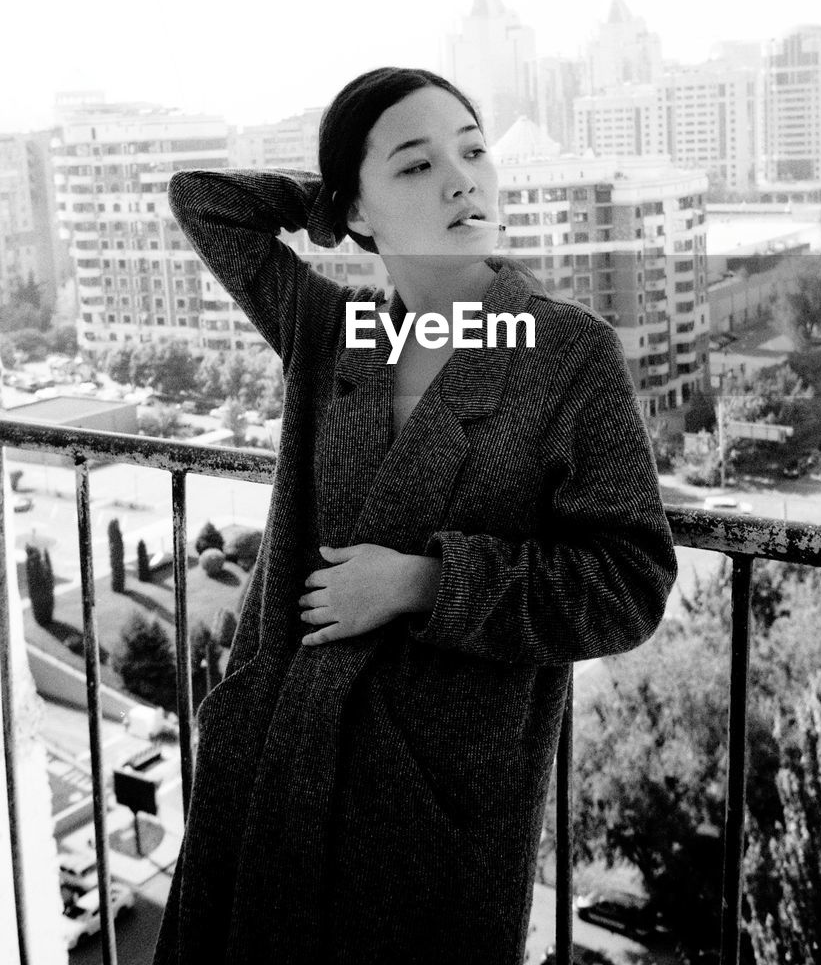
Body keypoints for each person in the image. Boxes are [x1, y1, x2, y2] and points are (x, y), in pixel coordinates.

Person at [151, 67, 678, 965]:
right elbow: (204, 203)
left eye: (473, 151)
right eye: (414, 165)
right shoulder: (336, 331)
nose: (462, 178)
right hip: (276, 759)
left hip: (430, 808)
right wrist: (326, 204)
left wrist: (425, 583)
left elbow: (629, 582)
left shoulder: (567, 353)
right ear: (355, 211)